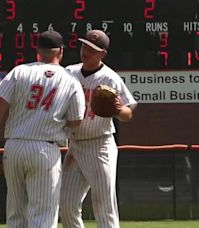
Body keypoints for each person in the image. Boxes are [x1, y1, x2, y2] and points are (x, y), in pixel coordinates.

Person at [0, 30, 86, 228]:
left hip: (14, 147)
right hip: (45, 150)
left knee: (16, 213)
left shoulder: (20, 71)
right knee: (43, 216)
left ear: (38, 51)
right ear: (60, 52)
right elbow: (76, 121)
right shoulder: (71, 80)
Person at [59, 30, 137, 228]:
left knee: (104, 206)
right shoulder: (69, 72)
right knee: (66, 205)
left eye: (92, 49)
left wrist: (119, 109)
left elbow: (128, 113)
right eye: (84, 46)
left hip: (100, 145)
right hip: (75, 145)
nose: (86, 51)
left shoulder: (110, 78)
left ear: (102, 53)